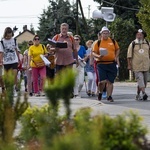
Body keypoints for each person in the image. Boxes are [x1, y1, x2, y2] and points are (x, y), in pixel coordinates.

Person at [92, 26, 120, 102]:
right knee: (102, 82)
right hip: (101, 64)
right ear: (101, 34)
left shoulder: (113, 41)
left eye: (106, 33)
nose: (105, 34)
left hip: (111, 63)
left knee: (110, 81)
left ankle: (109, 96)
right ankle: (100, 92)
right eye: (104, 33)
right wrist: (99, 56)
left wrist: (116, 57)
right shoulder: (97, 42)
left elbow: (117, 49)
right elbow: (93, 53)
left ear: (109, 34)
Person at [127, 29, 149, 101]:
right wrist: (129, 65)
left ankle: (138, 94)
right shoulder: (133, 43)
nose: (139, 36)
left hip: (146, 65)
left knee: (144, 82)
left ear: (143, 35)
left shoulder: (147, 43)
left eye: (140, 35)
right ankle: (144, 93)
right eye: (137, 35)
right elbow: (129, 56)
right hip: (136, 65)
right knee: (140, 79)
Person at [0, 27, 21, 96]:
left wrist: (19, 59)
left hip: (14, 60)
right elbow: (2, 52)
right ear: (5, 34)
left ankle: (15, 88)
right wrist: (1, 61)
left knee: (14, 74)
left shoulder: (14, 40)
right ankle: (8, 89)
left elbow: (17, 50)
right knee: (7, 77)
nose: (9, 37)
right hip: (6, 61)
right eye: (8, 36)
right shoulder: (2, 42)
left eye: (10, 35)